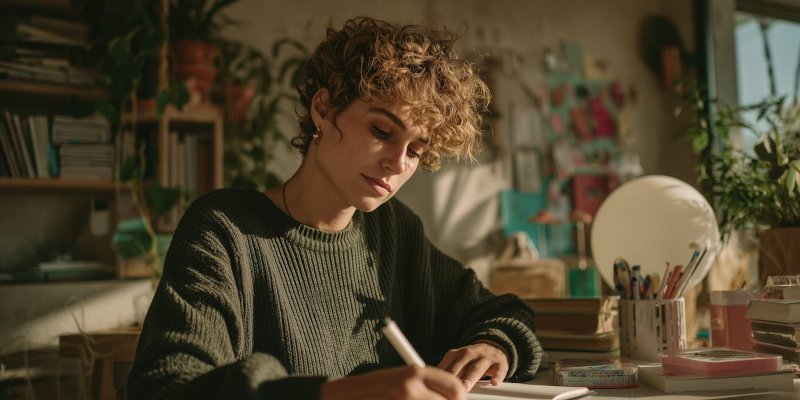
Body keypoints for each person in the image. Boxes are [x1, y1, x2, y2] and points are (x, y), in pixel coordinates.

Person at [127, 16, 543, 400]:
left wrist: (493, 345)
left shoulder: (394, 230)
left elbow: (505, 313)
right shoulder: (226, 229)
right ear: (323, 109)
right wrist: (334, 394)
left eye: (416, 150)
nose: (398, 164)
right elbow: (165, 387)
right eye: (382, 130)